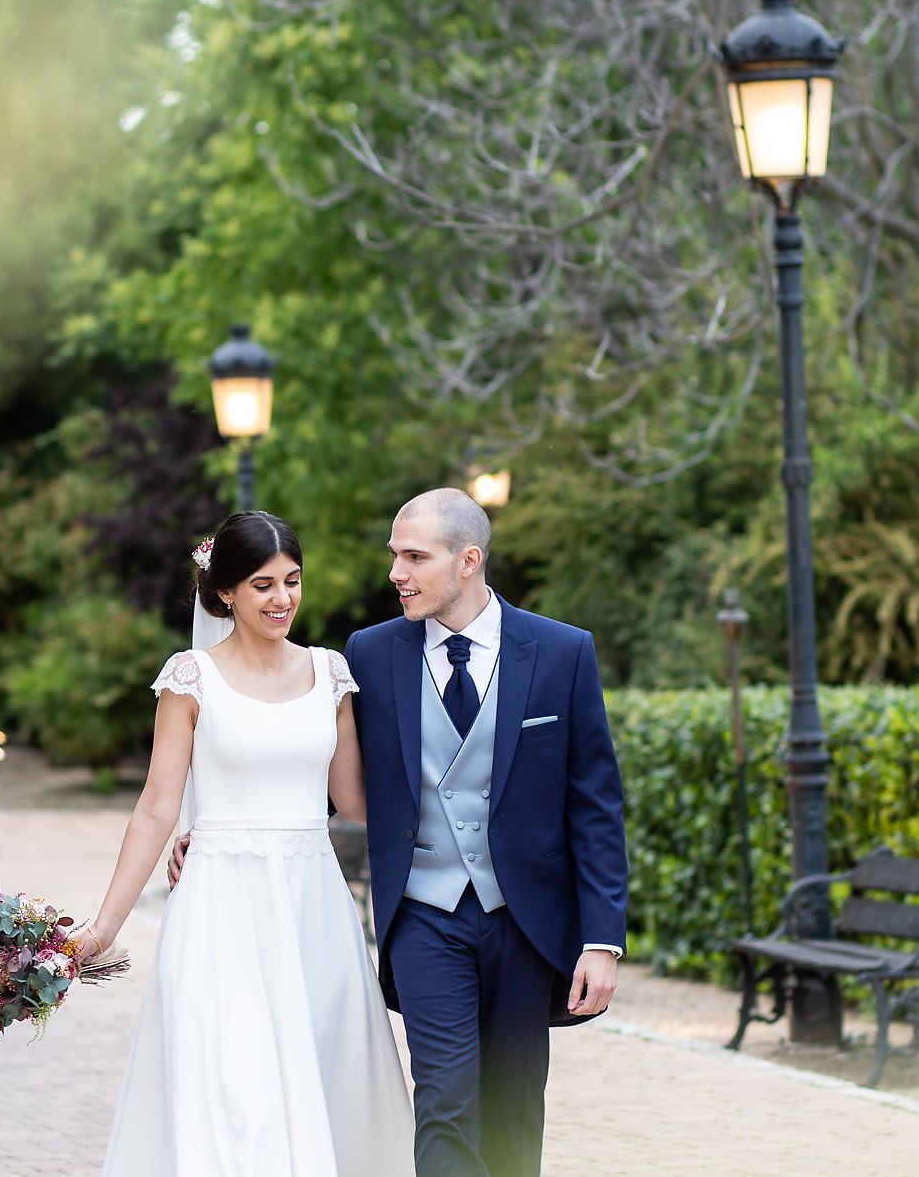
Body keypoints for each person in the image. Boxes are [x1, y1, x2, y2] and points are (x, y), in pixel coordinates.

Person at [71, 510, 415, 1177]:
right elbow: (156, 807)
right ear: (225, 590)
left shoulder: (331, 673)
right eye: (263, 584)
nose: (283, 598)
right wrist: (104, 925)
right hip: (222, 905)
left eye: (293, 580)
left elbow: (354, 801)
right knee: (236, 1087)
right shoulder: (189, 678)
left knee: (325, 1076)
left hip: (312, 905)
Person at [349, 488, 628, 1177]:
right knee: (443, 1098)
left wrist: (602, 938)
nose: (397, 573)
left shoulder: (563, 652)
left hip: (525, 920)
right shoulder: (370, 653)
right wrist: (204, 829)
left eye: (415, 556)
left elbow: (595, 804)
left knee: (511, 1108)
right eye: (394, 555)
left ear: (468, 559)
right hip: (422, 914)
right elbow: (314, 765)